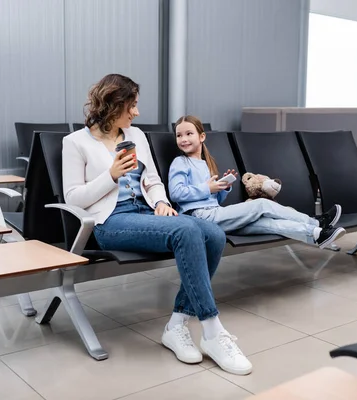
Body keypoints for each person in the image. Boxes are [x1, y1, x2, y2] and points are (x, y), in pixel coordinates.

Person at [62, 75, 252, 375]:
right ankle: (213, 333)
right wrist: (110, 175)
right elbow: (73, 197)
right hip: (111, 221)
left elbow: (151, 180)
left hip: (146, 212)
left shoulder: (135, 135)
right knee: (187, 229)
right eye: (132, 105)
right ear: (113, 104)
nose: (136, 113)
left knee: (214, 234)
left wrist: (161, 201)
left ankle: (176, 325)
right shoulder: (75, 143)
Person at [168, 115, 346, 248]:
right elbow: (176, 193)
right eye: (179, 135)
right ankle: (317, 222)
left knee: (267, 223)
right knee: (261, 205)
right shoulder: (180, 162)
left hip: (215, 215)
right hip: (198, 218)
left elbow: (214, 201)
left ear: (202, 137)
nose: (183, 139)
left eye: (188, 134)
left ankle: (317, 234)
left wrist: (222, 188)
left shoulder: (206, 164)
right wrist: (207, 188)